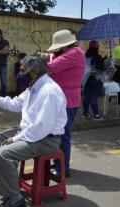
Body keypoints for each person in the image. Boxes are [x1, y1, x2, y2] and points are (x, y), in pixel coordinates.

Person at [0, 55, 67, 207]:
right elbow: (16, 104)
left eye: (22, 70)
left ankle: (15, 198)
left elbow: (42, 127)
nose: (19, 74)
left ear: (34, 72)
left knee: (4, 153)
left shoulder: (49, 92)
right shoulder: (33, 87)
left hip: (46, 140)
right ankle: (3, 184)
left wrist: (15, 139)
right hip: (32, 133)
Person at [44, 29, 86, 177]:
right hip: (63, 100)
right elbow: (54, 59)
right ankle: (58, 163)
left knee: (61, 135)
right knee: (57, 134)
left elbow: (49, 67)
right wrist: (49, 55)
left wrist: (45, 58)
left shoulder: (74, 54)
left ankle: (62, 169)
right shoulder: (73, 52)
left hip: (66, 101)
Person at [82, 40, 105, 120]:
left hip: (86, 79)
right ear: (97, 47)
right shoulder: (98, 57)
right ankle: (96, 115)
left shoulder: (85, 56)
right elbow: (102, 68)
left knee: (86, 96)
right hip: (96, 79)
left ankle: (85, 112)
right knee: (94, 97)